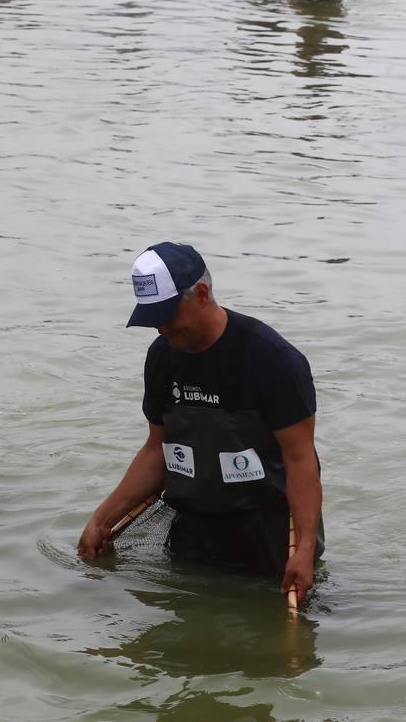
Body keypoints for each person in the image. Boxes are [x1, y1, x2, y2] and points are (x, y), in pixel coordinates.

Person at [77, 243, 323, 601]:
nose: (161, 328)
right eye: (152, 318)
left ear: (202, 294)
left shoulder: (273, 360)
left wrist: (302, 551)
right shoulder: (162, 357)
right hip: (193, 532)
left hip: (267, 533)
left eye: (167, 314)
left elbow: (301, 462)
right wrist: (102, 519)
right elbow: (156, 451)